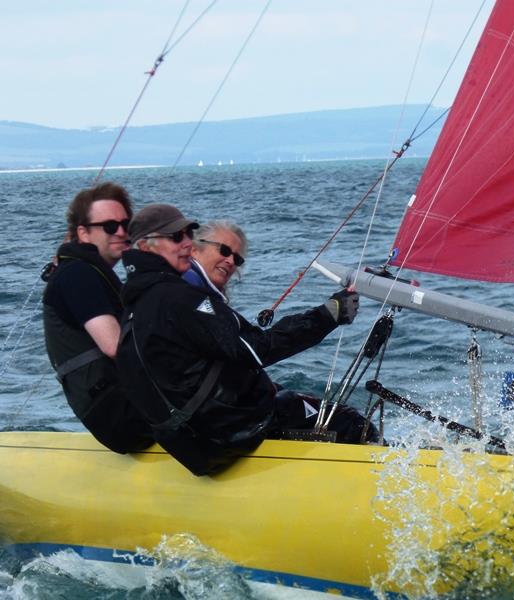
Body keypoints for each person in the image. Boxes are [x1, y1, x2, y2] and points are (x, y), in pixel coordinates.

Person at [116, 203, 374, 476]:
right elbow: (257, 349)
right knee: (351, 423)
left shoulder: (135, 304)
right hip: (230, 434)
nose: (186, 244)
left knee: (288, 397)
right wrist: (329, 315)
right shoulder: (180, 299)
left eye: (188, 235)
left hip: (192, 443)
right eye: (176, 237)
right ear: (145, 246)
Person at [42, 182, 153, 453]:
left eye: (126, 224)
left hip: (121, 409)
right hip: (122, 416)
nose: (121, 232)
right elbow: (115, 346)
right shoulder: (78, 275)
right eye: (110, 226)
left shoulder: (90, 272)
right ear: (84, 233)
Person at [182, 220, 247, 301]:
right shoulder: (188, 284)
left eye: (237, 259)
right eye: (224, 251)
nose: (231, 261)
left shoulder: (205, 292)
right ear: (194, 250)